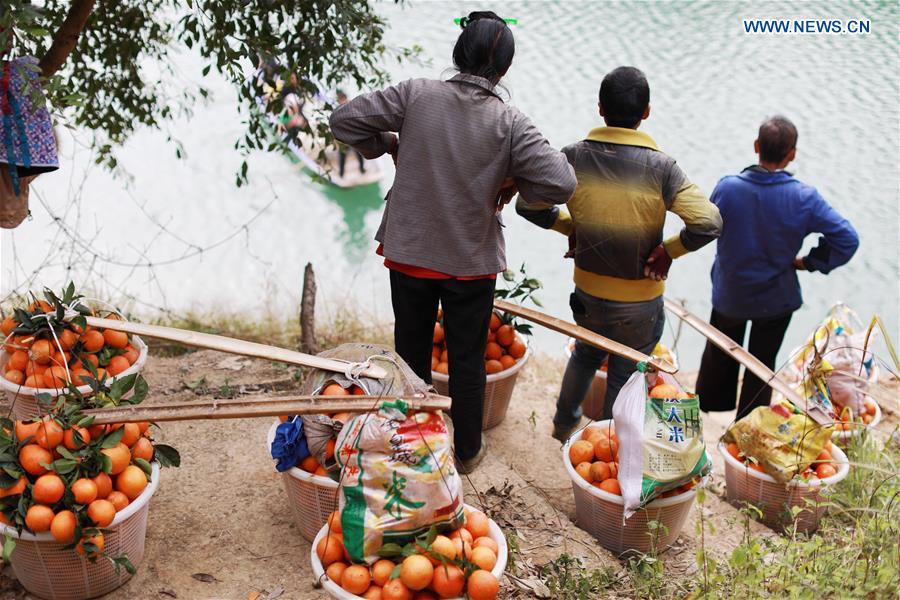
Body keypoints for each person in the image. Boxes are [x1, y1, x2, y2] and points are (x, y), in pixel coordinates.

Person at [329, 11, 576, 472]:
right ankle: (465, 452)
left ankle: (415, 442)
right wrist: (515, 182)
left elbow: (344, 121)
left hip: (411, 254)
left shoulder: (415, 94)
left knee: (411, 354)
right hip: (469, 262)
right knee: (467, 361)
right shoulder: (510, 122)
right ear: (503, 70)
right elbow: (561, 183)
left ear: (457, 54)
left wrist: (388, 144)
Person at [516, 66, 722, 441]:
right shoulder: (662, 168)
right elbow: (708, 222)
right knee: (626, 370)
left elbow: (527, 206)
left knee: (585, 353)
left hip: (588, 295)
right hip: (640, 303)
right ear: (646, 113)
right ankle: (606, 446)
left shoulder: (574, 157)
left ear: (600, 108)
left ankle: (563, 429)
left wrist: (572, 226)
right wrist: (670, 251)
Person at [695, 116, 859, 417]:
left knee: (721, 353)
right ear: (791, 154)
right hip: (775, 300)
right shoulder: (803, 197)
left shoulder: (728, 188)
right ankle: (747, 425)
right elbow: (847, 239)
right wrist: (810, 262)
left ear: (756, 147)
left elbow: (705, 226)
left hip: (732, 293)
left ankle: (708, 409)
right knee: (762, 364)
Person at [335, 90, 366, 178]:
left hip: (354, 136)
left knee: (359, 153)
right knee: (342, 156)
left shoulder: (352, 107)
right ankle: (341, 173)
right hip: (344, 138)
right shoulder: (338, 110)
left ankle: (362, 169)